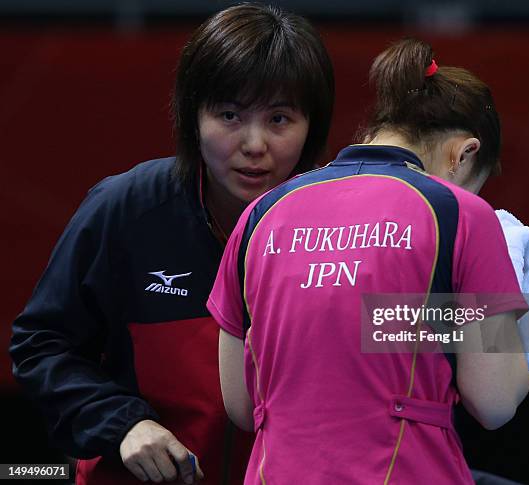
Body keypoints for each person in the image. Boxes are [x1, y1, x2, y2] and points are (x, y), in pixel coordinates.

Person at [9, 4, 334, 484]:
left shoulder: (342, 226)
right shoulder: (126, 207)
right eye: (229, 114)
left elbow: (403, 330)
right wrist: (123, 423)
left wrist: (480, 308)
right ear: (191, 117)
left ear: (311, 128)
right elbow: (39, 345)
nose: (254, 143)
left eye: (280, 119)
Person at [208, 37, 529, 484]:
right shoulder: (459, 213)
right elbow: (494, 401)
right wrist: (507, 308)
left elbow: (241, 406)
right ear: (463, 153)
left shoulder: (260, 215)